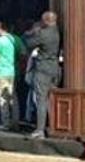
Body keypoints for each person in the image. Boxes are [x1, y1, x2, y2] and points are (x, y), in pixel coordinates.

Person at [26, 11, 61, 139]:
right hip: (55, 68)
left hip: (43, 68)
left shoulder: (43, 33)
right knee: (52, 99)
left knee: (41, 99)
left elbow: (29, 43)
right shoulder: (58, 32)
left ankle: (40, 129)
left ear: (45, 21)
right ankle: (54, 126)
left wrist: (33, 32)